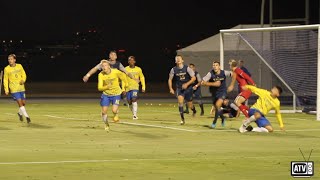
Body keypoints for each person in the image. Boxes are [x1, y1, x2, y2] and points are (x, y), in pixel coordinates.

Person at [98, 60, 128, 131]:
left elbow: (123, 76)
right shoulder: (101, 75)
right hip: (106, 95)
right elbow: (99, 88)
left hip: (116, 94)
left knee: (114, 110)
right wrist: (107, 87)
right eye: (102, 66)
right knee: (103, 112)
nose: (104, 67)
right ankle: (106, 124)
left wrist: (126, 84)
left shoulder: (116, 71)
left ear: (109, 66)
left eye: (105, 65)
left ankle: (116, 115)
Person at [201, 61, 233, 128]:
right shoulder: (210, 73)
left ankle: (214, 122)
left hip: (223, 92)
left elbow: (234, 74)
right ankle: (223, 118)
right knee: (217, 108)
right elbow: (203, 81)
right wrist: (205, 83)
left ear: (219, 67)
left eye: (216, 65)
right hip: (214, 93)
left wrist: (232, 85)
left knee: (218, 104)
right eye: (214, 65)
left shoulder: (224, 72)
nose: (215, 66)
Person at [168, 55, 196, 125]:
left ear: (182, 60)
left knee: (190, 105)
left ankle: (194, 110)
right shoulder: (173, 69)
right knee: (180, 102)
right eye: (176, 59)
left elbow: (194, 78)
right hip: (180, 88)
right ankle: (182, 119)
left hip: (188, 89)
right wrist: (171, 88)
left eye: (179, 59)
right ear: (175, 61)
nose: (178, 60)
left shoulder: (187, 68)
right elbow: (170, 79)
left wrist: (187, 84)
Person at [3, 54, 31, 123]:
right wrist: (6, 89)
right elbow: (5, 80)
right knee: (20, 103)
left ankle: (20, 113)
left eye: (11, 59)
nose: (10, 60)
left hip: (21, 88)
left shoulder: (19, 66)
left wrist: (23, 80)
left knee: (23, 103)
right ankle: (27, 117)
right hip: (14, 89)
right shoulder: (6, 69)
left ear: (15, 60)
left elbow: (24, 74)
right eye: (9, 59)